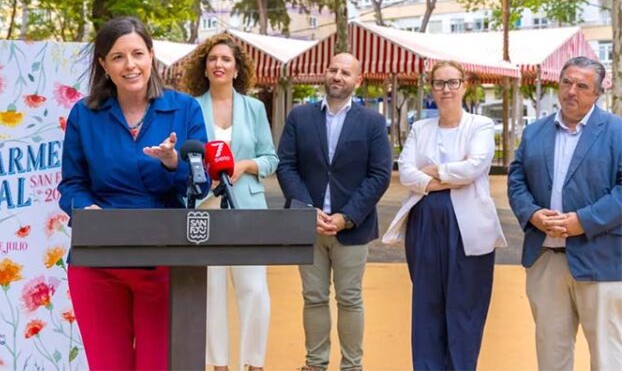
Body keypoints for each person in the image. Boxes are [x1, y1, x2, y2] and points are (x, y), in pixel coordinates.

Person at [58, 16, 209, 370]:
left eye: (138, 54)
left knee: (158, 364)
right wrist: (85, 209)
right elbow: (72, 185)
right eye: (118, 57)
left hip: (164, 260)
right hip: (98, 261)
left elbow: (200, 185)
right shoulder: (84, 114)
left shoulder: (184, 109)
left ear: (152, 56)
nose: (130, 65)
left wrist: (174, 163)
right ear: (103, 65)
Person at [382, 60, 506, 370]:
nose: (446, 89)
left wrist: (433, 173)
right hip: (424, 224)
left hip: (469, 227)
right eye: (439, 83)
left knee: (465, 308)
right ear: (431, 88)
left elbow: (475, 166)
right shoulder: (421, 128)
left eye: (452, 82)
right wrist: (446, 178)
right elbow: (406, 173)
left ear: (464, 85)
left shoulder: (480, 125)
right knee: (427, 305)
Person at [276, 53, 392, 371]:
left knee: (349, 297)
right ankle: (315, 364)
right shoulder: (300, 117)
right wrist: (305, 210)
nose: (337, 76)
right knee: (313, 296)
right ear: (324, 75)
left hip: (352, 227)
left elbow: (379, 174)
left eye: (345, 72)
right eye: (333, 70)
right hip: (308, 224)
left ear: (358, 80)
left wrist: (346, 216)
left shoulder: (372, 122)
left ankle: (352, 366)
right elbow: (286, 165)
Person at [508, 56, 621, 371]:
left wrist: (581, 222)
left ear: (597, 93)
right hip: (545, 260)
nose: (572, 91)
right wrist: (532, 214)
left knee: (608, 357)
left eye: (582, 86)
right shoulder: (534, 132)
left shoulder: (617, 131)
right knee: (551, 355)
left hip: (602, 261)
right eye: (567, 82)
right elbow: (516, 180)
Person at [182, 33, 278, 371]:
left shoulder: (253, 108)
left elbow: (270, 159)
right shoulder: (191, 107)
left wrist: (246, 165)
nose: (219, 64)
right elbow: (185, 159)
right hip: (205, 208)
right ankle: (219, 365)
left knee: (254, 289)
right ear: (204, 68)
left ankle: (253, 364)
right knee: (212, 291)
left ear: (237, 69)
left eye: (226, 60)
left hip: (249, 210)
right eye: (213, 59)